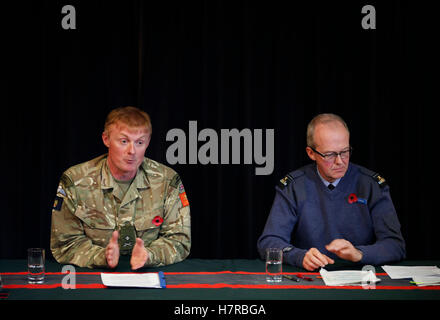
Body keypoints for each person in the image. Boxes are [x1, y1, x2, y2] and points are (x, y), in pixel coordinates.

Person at [257, 113, 405, 271]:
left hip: (359, 277)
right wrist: (299, 256)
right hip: (310, 278)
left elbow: (395, 245)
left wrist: (359, 253)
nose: (340, 161)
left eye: (345, 151)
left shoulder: (371, 185)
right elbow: (269, 241)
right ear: (311, 153)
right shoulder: (294, 186)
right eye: (330, 154)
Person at [50, 106, 191, 269]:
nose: (132, 151)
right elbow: (65, 244)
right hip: (94, 278)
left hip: (148, 276)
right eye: (124, 141)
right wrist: (102, 256)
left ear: (148, 143)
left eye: (139, 142)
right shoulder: (76, 181)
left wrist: (150, 256)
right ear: (106, 139)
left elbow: (179, 241)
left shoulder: (167, 181)